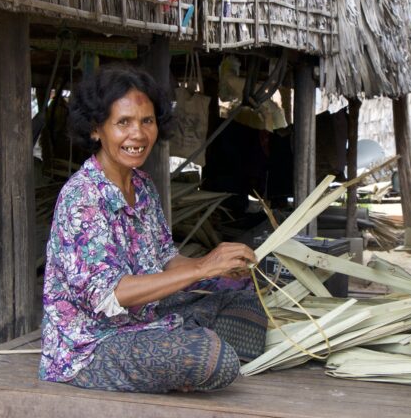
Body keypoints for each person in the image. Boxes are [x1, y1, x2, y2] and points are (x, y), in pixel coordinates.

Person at [39, 65, 267, 393]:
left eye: (147, 121)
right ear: (95, 129)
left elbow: (166, 260)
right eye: (123, 123)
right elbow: (112, 295)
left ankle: (180, 354)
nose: (139, 135)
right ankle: (193, 355)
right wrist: (203, 267)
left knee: (243, 295)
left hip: (145, 317)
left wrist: (217, 268)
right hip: (92, 346)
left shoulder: (142, 186)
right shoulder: (82, 198)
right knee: (210, 359)